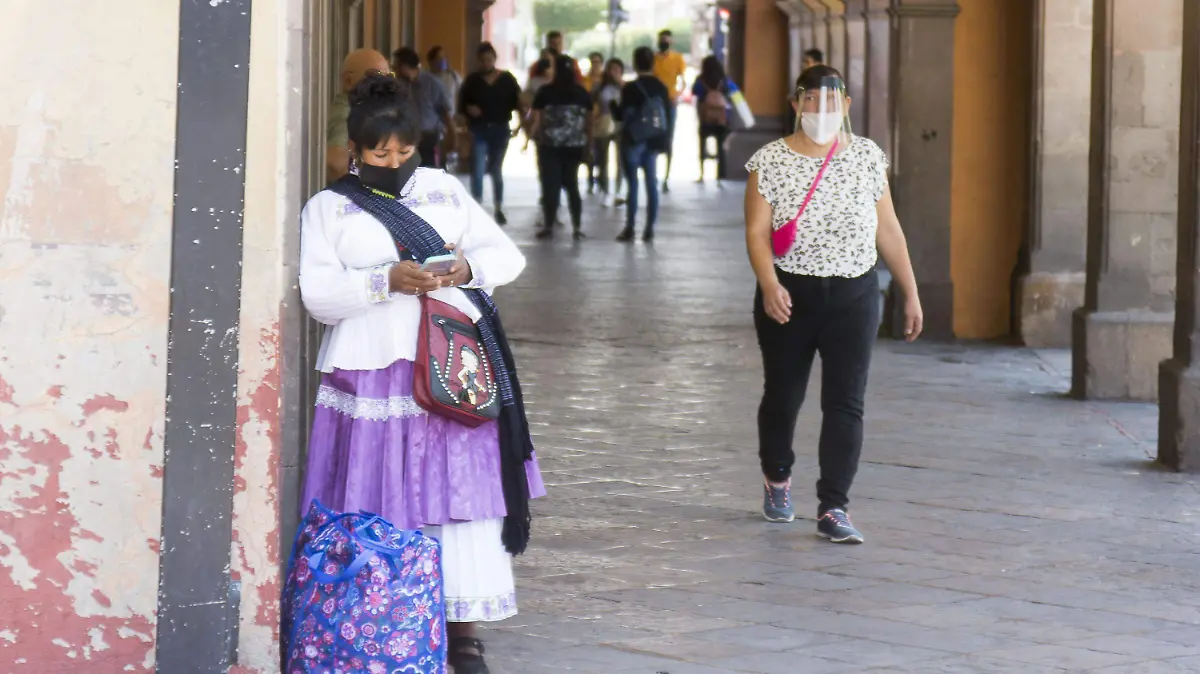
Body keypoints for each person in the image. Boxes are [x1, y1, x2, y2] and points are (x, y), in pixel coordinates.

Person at [299, 73, 545, 674]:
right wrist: (384, 281)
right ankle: (381, 624)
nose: (394, 163)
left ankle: (462, 632)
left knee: (455, 496)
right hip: (372, 370)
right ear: (354, 149)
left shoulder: (443, 191)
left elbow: (505, 256)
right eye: (380, 154)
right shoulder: (328, 208)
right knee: (380, 497)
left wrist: (464, 270)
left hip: (452, 368)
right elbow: (318, 295)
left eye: (404, 152)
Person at [744, 65, 922, 544]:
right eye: (810, 100)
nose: (820, 110)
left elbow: (888, 229)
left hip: (855, 294)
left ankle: (833, 506)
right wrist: (768, 285)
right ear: (795, 104)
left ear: (846, 105)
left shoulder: (867, 157)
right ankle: (777, 476)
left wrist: (910, 291)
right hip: (789, 295)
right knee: (784, 395)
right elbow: (757, 233)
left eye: (830, 100)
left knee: (846, 401)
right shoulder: (770, 161)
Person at [529, 55, 593, 240]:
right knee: (572, 186)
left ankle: (548, 226)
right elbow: (589, 122)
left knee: (551, 186)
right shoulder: (582, 93)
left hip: (550, 146)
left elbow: (537, 119)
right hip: (575, 146)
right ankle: (577, 228)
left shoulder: (545, 92)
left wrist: (533, 137)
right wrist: (588, 146)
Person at [460, 42, 524, 225]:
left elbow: (519, 102)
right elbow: (461, 104)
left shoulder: (507, 80)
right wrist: (468, 111)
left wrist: (521, 124)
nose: (486, 63)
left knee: (496, 169)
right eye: (482, 60)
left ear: (495, 59)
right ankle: (477, 206)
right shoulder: (472, 81)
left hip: (500, 128)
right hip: (479, 128)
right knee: (478, 168)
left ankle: (498, 207)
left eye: (489, 60)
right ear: (478, 61)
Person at [612, 46, 670, 242]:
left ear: (635, 64)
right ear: (653, 64)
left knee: (633, 185)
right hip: (653, 141)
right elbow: (665, 118)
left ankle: (630, 227)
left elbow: (621, 116)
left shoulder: (630, 88)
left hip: (633, 140)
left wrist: (612, 105)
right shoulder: (661, 87)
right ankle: (649, 229)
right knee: (651, 184)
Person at [327, 48, 391, 182]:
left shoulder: (361, 111)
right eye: (374, 76)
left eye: (387, 77)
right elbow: (335, 164)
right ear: (349, 80)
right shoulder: (346, 113)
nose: (382, 85)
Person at [393, 46, 456, 168]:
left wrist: (453, 138)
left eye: (396, 67)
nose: (394, 71)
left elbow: (447, 115)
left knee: (431, 173)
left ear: (404, 67)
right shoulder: (399, 86)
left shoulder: (433, 84)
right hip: (407, 140)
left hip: (430, 140)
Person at [652, 29, 687, 193]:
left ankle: (666, 177)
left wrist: (678, 95)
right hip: (655, 103)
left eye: (666, 40)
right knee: (654, 136)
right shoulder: (653, 58)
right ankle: (653, 174)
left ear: (671, 42)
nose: (664, 43)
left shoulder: (677, 58)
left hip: (670, 102)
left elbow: (683, 81)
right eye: (662, 40)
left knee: (669, 138)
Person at [692, 55, 733, 182]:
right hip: (721, 119)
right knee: (721, 146)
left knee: (702, 144)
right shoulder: (724, 80)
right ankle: (720, 175)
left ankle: (702, 174)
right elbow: (733, 91)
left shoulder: (701, 80)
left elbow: (694, 91)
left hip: (705, 119)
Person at [591, 58, 625, 204]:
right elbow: (591, 103)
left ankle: (618, 190)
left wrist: (621, 83)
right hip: (603, 124)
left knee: (620, 160)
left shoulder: (625, 87)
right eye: (612, 69)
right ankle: (605, 190)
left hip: (620, 125)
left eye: (617, 69)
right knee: (603, 159)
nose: (614, 72)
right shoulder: (600, 86)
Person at [427, 45, 464, 115]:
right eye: (439, 59)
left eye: (444, 58)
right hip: (432, 117)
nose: (443, 60)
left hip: (450, 117)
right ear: (431, 62)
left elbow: (464, 92)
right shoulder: (426, 78)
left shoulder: (453, 76)